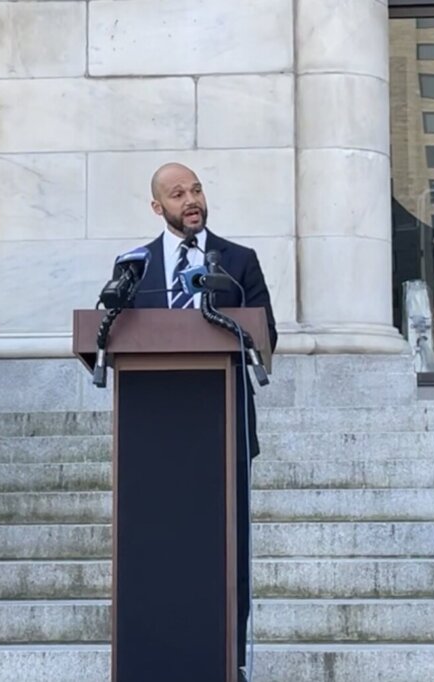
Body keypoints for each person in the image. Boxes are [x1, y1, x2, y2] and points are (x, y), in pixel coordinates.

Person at [130, 162, 277, 681]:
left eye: (196, 190)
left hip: (225, 424)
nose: (191, 200)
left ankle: (229, 659)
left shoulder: (238, 261)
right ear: (158, 207)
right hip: (154, 431)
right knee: (159, 547)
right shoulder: (134, 267)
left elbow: (266, 334)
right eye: (177, 194)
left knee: (226, 548)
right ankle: (159, 655)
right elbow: (116, 331)